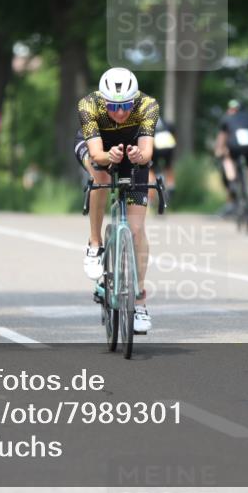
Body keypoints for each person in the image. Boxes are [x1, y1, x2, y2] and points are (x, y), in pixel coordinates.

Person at [75, 67, 158, 333]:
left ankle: (140, 301)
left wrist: (137, 156)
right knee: (99, 175)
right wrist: (108, 157)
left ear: (134, 100)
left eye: (125, 106)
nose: (120, 113)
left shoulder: (148, 105)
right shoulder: (89, 105)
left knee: (136, 231)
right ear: (103, 99)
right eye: (113, 106)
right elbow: (97, 153)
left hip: (131, 153)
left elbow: (147, 153)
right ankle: (95, 243)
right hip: (98, 150)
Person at [214, 100, 248, 224]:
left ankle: (233, 183)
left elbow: (222, 138)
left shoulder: (227, 118)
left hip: (235, 145)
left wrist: (219, 151)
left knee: (227, 158)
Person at [150, 117, 176, 206]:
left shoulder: (147, 120)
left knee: (151, 169)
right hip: (168, 144)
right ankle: (171, 186)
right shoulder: (164, 121)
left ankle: (151, 198)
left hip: (156, 146)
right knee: (168, 166)